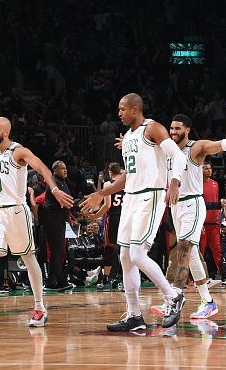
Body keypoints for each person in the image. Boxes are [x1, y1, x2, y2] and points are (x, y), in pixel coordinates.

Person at [81, 93, 188, 331]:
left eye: (122, 109)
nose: (118, 113)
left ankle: (173, 296)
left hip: (150, 195)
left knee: (138, 255)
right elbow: (128, 175)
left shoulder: (153, 128)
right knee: (125, 257)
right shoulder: (129, 136)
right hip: (131, 196)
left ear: (135, 109)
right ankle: (134, 315)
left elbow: (178, 156)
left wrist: (174, 182)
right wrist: (102, 193)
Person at [151, 114, 226, 319]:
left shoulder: (196, 148)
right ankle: (208, 302)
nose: (173, 132)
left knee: (183, 250)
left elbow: (225, 144)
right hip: (175, 205)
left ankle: (174, 299)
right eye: (171, 128)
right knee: (190, 255)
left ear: (187, 129)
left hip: (192, 204)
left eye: (177, 128)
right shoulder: (168, 149)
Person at [0, 117, 73, 328]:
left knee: (28, 258)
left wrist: (54, 189)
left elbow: (43, 168)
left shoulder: (19, 151)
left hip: (16, 212)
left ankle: (39, 307)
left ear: (6, 132)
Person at [86, 162, 122, 291]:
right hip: (125, 219)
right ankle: (121, 278)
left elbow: (107, 205)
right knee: (124, 249)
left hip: (113, 219)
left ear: (110, 173)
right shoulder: (127, 183)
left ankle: (106, 279)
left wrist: (95, 217)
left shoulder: (108, 184)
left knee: (110, 249)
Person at [42, 160, 73, 290]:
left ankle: (52, 281)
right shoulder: (53, 182)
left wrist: (69, 219)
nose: (65, 170)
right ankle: (58, 281)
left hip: (60, 221)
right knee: (57, 251)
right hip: (52, 220)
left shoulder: (63, 182)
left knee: (59, 251)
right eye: (62, 168)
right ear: (55, 170)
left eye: (66, 168)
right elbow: (64, 202)